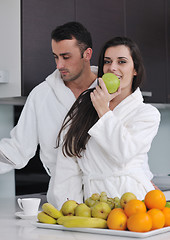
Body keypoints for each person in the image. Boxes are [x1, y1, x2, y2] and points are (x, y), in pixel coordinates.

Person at [53, 36, 161, 209]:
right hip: (94, 205)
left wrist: (104, 111)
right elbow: (68, 161)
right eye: (107, 61)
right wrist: (69, 208)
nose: (112, 68)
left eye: (122, 61)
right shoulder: (84, 108)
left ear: (135, 70)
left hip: (133, 203)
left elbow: (123, 153)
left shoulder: (147, 114)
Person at [0, 22, 97, 199]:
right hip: (64, 200)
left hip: (108, 195)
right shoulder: (41, 95)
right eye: (56, 57)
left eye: (66, 57)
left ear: (87, 54)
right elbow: (18, 149)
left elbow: (127, 143)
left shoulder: (111, 90)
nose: (59, 65)